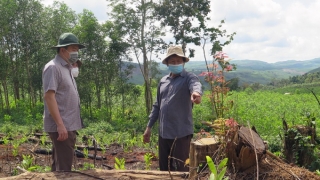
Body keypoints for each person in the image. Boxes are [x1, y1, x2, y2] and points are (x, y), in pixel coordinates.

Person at [143, 45, 202, 172]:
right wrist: (149, 127)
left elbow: (195, 85)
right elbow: (157, 105)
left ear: (183, 62)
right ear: (167, 64)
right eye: (172, 62)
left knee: (182, 168)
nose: (176, 64)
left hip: (181, 133)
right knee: (164, 168)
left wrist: (196, 93)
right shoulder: (163, 81)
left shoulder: (188, 78)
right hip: (164, 133)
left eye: (178, 61)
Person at [42, 32, 85, 171]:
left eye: (77, 50)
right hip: (63, 126)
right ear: (62, 50)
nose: (76, 53)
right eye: (73, 49)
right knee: (64, 170)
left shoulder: (66, 67)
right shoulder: (53, 67)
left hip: (68, 124)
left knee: (60, 166)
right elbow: (49, 96)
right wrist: (60, 125)